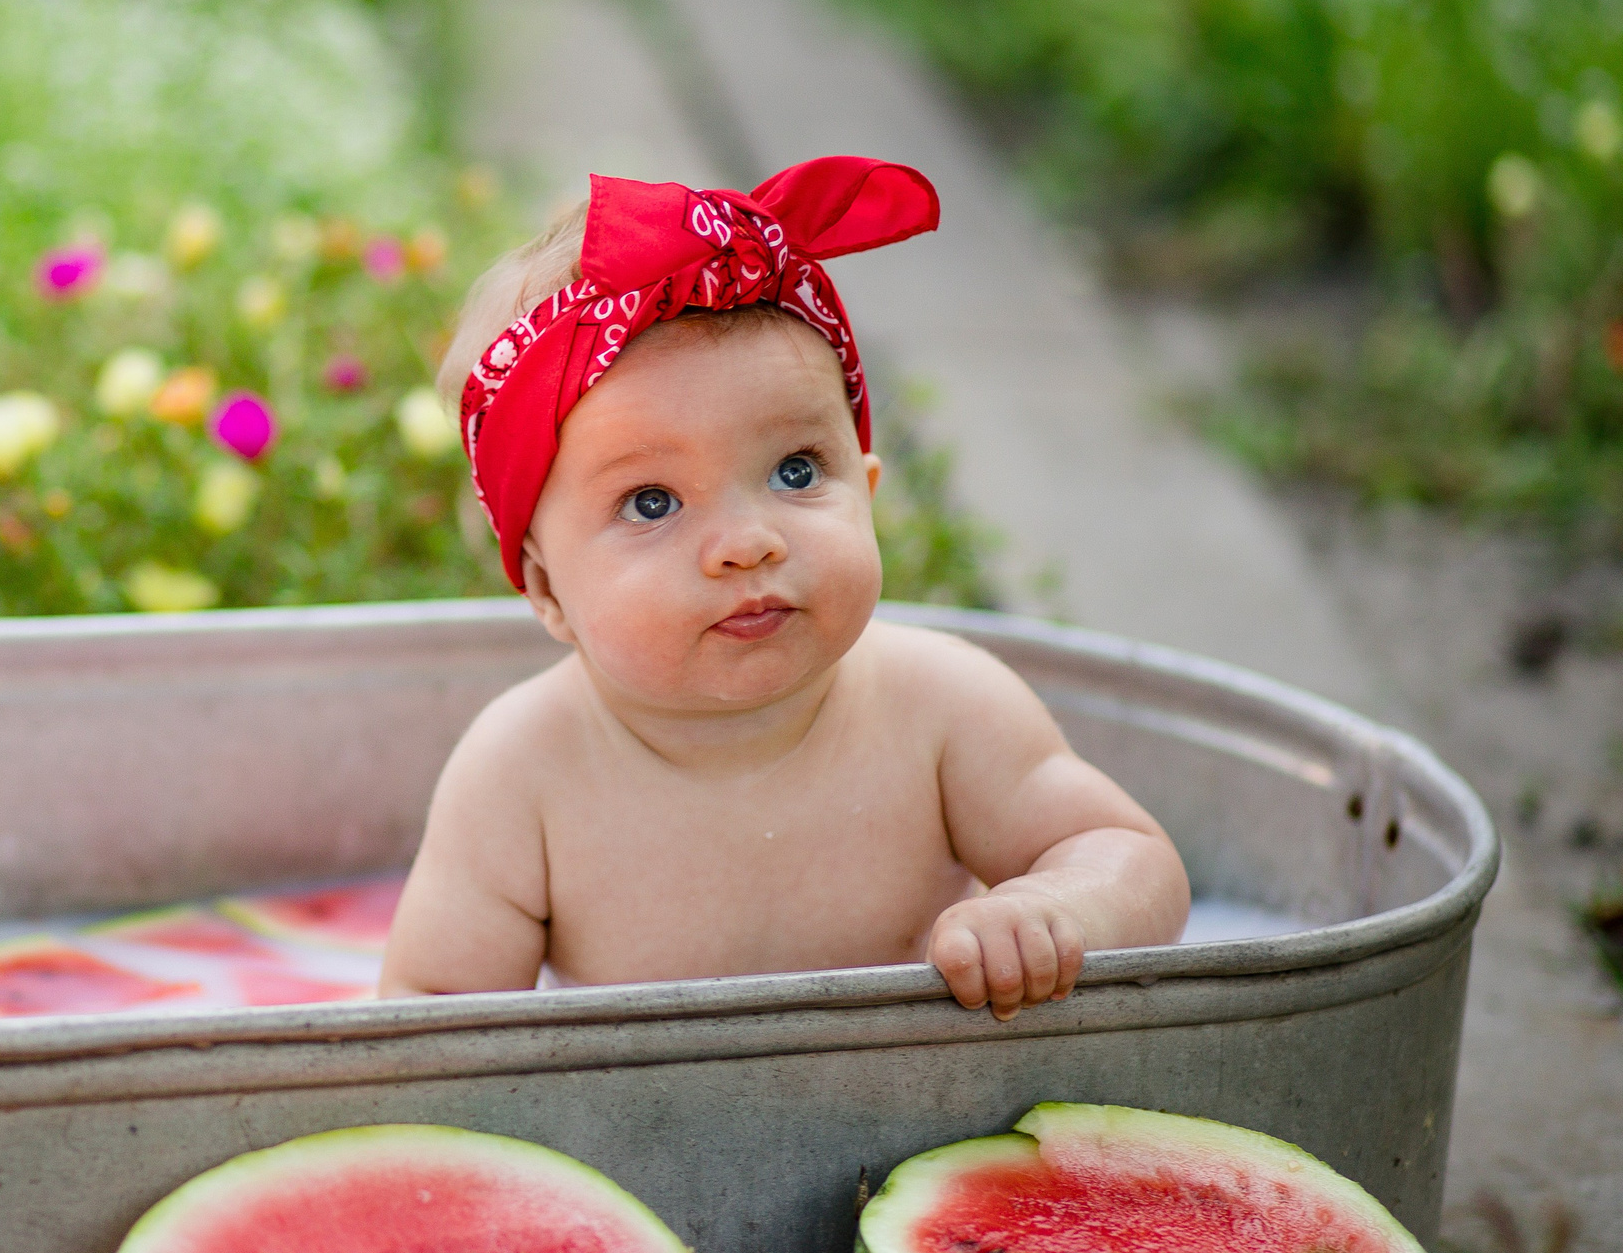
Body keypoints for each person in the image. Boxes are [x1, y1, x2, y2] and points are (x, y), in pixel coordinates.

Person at [378, 157, 1188, 1020]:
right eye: (651, 502)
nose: (748, 543)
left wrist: (1051, 909)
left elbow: (1131, 856)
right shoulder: (521, 775)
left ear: (868, 489)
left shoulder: (943, 707)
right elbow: (432, 1020)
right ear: (547, 591)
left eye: (796, 471)